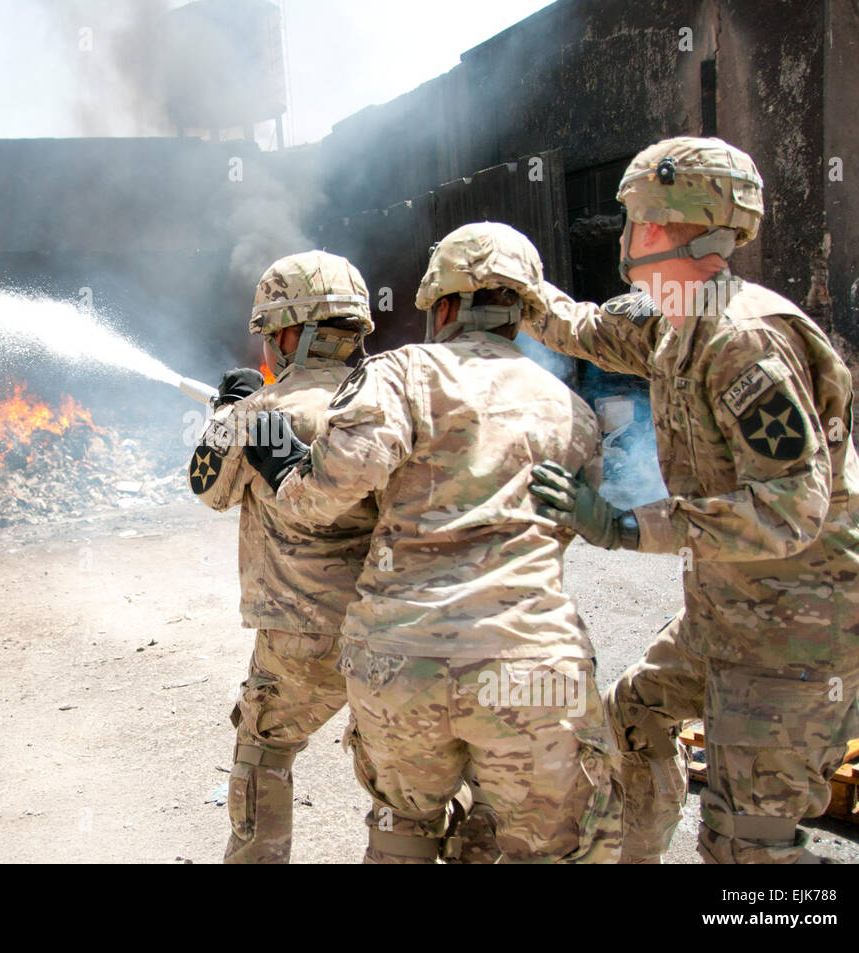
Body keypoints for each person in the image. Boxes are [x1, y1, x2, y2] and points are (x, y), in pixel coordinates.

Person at [525, 135, 859, 863]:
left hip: (803, 626)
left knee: (747, 848)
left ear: (657, 226)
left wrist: (626, 524)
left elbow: (791, 509)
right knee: (631, 717)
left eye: (631, 220)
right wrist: (517, 291)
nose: (625, 237)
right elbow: (586, 329)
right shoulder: (677, 322)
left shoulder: (741, 341)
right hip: (734, 610)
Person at [243, 223, 621, 863]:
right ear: (526, 310)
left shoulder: (400, 375)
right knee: (547, 848)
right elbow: (572, 523)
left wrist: (285, 472)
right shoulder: (571, 408)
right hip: (530, 671)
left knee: (401, 834)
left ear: (442, 304)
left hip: (400, 666)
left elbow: (335, 487)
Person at [189, 250, 381, 863]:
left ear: (293, 332)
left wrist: (227, 415)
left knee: (263, 753)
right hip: (396, 627)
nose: (269, 345)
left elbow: (206, 487)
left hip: (301, 635)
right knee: (404, 780)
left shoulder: (261, 413)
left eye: (273, 333)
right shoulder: (392, 398)